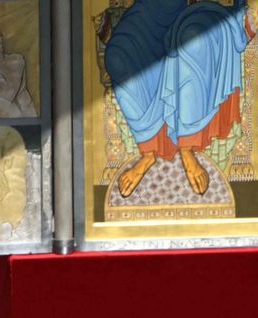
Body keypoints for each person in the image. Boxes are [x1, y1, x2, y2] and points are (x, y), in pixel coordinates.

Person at [101, 0, 256, 197]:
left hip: (206, 9)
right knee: (118, 56)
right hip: (157, 8)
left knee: (192, 40)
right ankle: (148, 150)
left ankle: (187, 145)